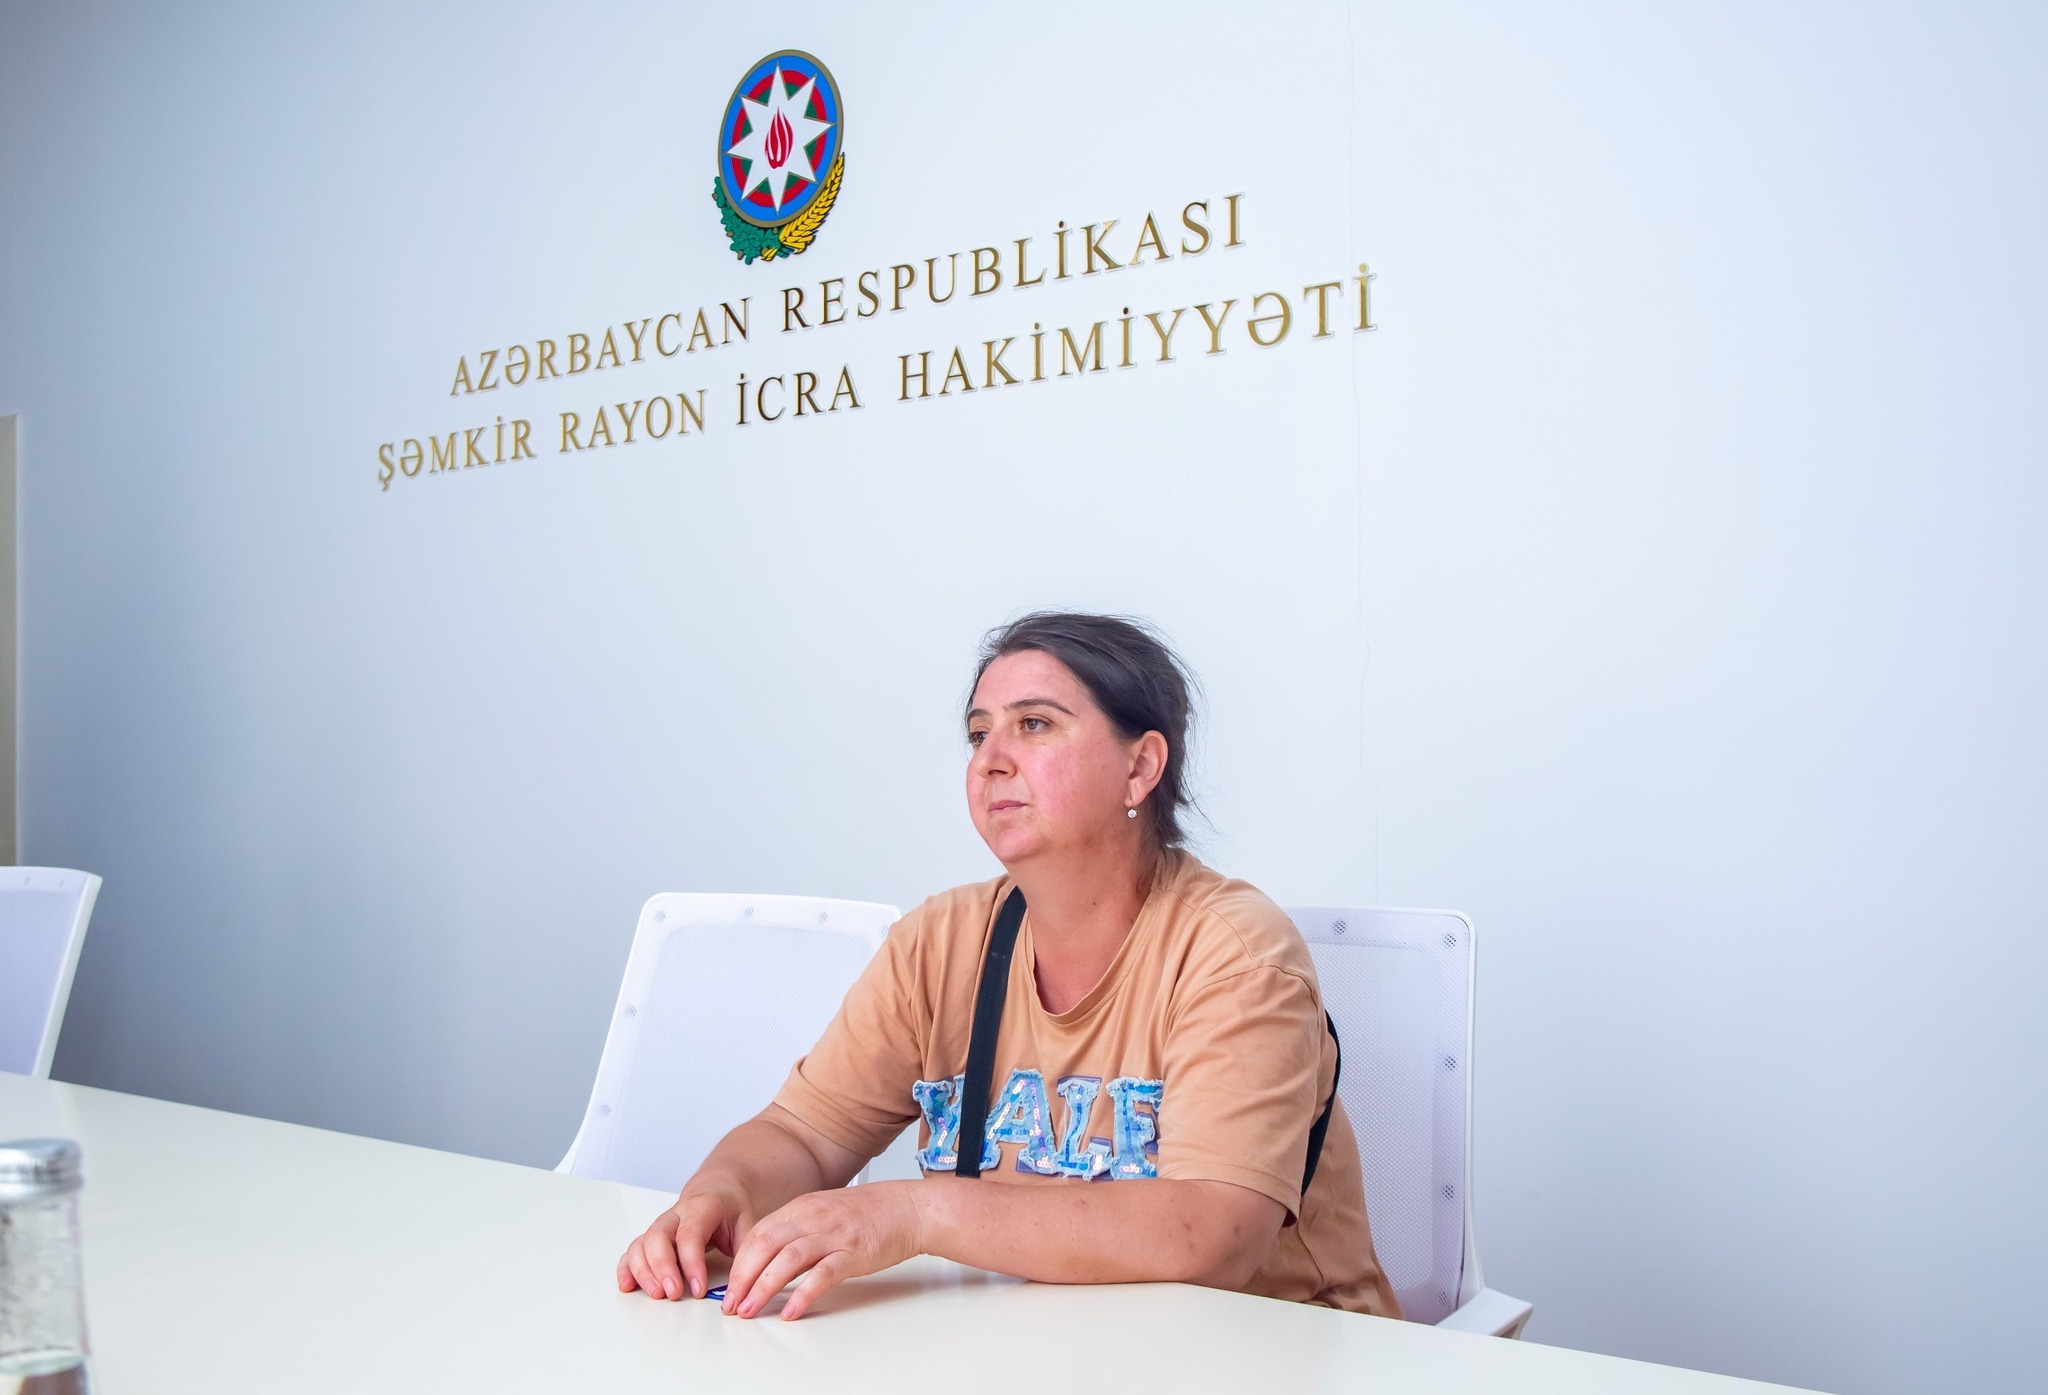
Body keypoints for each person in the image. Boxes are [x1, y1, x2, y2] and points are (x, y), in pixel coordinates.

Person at [617, 612, 1401, 1320]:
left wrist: (917, 1213)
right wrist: (721, 1191)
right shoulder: (938, 941)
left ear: (1139, 768)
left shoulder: (1234, 952)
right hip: (1037, 1346)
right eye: (977, 733)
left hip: (1276, 1351)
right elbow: (803, 1134)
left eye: (1034, 724)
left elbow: (1214, 1233)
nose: (990, 760)